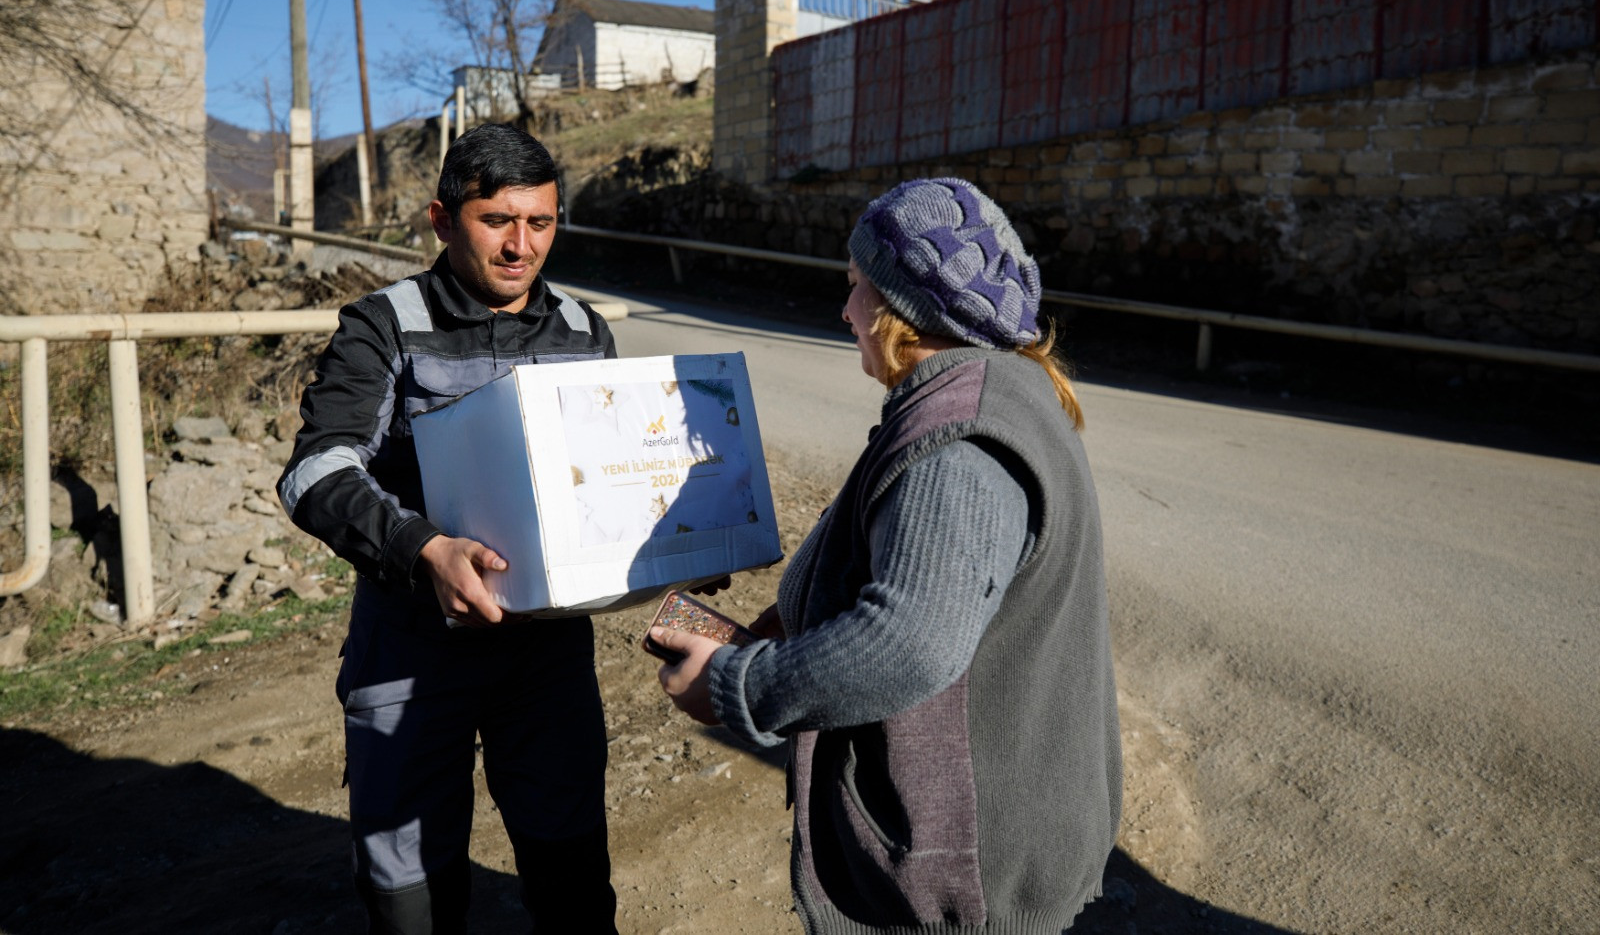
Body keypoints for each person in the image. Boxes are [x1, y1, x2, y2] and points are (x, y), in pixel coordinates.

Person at [651, 177, 1123, 934]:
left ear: (904, 306)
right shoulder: (993, 389)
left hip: (970, 871)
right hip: (994, 830)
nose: (844, 311)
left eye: (855, 286)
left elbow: (909, 640)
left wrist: (743, 687)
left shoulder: (959, 443)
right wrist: (786, 627)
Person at [277, 123, 621, 933]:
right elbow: (315, 471)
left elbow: (611, 475)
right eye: (497, 220)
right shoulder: (382, 325)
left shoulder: (585, 330)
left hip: (548, 660)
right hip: (411, 654)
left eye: (540, 222)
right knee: (414, 902)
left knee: (573, 886)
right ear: (440, 219)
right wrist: (424, 549)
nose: (521, 245)